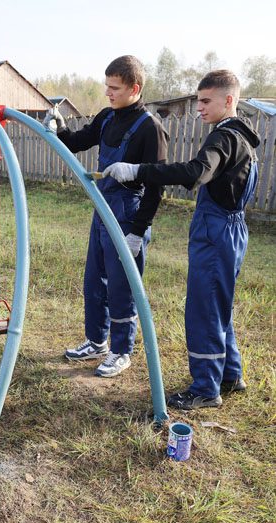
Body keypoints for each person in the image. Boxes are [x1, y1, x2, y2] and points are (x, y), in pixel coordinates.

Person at [103, 70, 259, 409]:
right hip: (232, 230)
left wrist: (138, 170)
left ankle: (205, 388)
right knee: (219, 305)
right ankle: (230, 374)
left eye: (205, 101)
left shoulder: (223, 138)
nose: (198, 108)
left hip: (216, 233)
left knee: (203, 308)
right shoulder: (243, 137)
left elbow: (195, 173)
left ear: (228, 100)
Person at [45, 55, 169, 378]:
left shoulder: (149, 129)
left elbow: (156, 189)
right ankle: (97, 340)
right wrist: (59, 128)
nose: (107, 93)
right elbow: (77, 142)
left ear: (135, 88)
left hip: (129, 214)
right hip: (102, 208)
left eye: (114, 88)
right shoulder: (107, 118)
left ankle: (121, 350)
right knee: (94, 280)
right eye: (107, 86)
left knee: (121, 286)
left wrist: (138, 232)